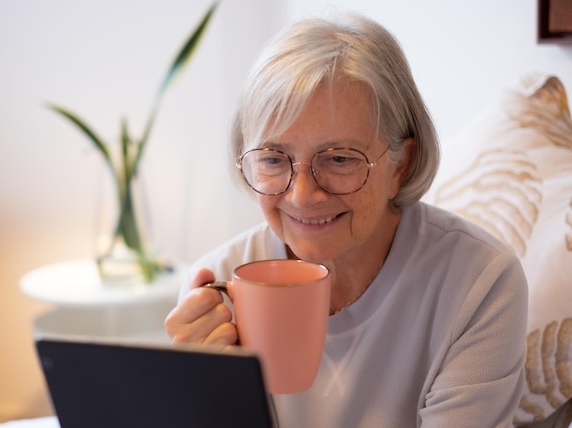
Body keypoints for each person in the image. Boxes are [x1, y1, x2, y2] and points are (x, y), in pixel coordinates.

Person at [165, 10, 527, 428]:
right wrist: (197, 399)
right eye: (272, 158)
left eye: (339, 158)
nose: (301, 195)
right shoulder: (217, 286)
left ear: (401, 164)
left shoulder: (479, 284)